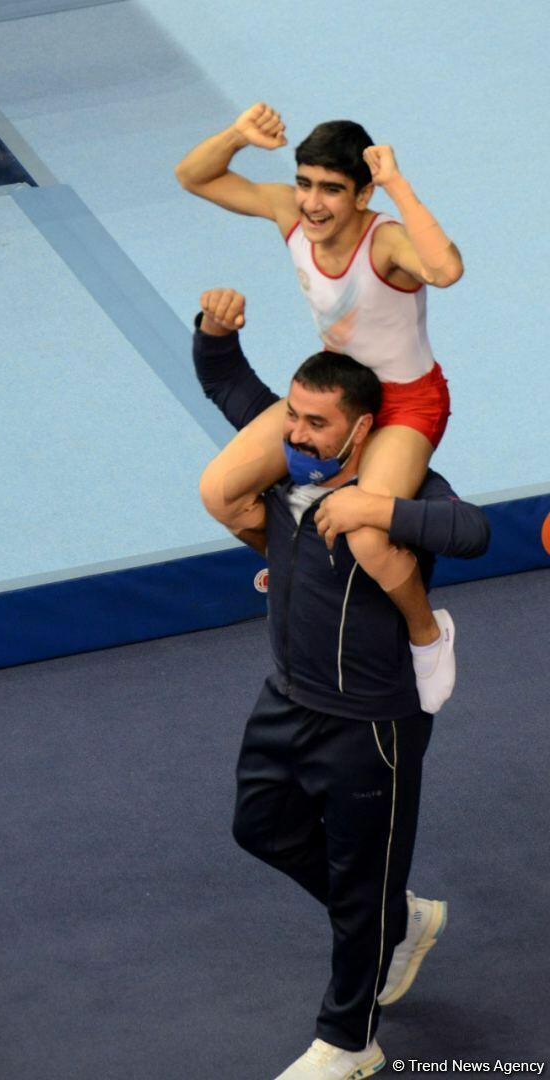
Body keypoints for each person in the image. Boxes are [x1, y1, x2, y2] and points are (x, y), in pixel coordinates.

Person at [192, 287, 490, 1080]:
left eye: (316, 423)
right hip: (286, 697)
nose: (296, 432)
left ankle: (351, 1043)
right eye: (292, 414)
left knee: (361, 891)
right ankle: (402, 918)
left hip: (372, 725)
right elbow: (227, 384)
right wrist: (213, 333)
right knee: (258, 826)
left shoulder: (405, 490)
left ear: (363, 430)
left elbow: (473, 531)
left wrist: (379, 508)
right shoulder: (287, 456)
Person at [176, 104, 464, 714]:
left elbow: (445, 269)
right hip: (335, 390)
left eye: (332, 189)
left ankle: (427, 634)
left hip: (406, 404)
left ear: (361, 194)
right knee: (219, 494)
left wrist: (398, 184)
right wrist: (237, 136)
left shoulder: (384, 240)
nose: (311, 202)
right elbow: (194, 177)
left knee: (365, 533)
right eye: (305, 182)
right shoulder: (289, 211)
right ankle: (299, 568)